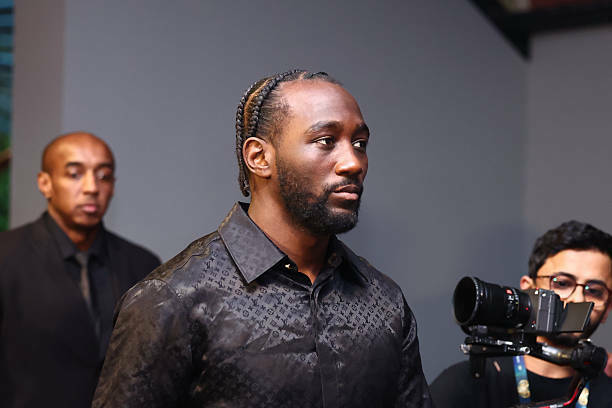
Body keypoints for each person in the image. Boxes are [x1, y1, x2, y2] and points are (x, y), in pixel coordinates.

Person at [92, 70, 433, 407]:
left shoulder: (384, 302)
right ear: (259, 157)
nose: (353, 163)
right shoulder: (174, 300)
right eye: (326, 141)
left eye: (359, 144)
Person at [0, 132, 161, 408]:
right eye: (74, 174)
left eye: (103, 176)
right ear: (45, 183)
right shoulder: (6, 256)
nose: (91, 187)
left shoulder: (142, 265)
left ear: (113, 186)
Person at [430, 220, 612, 407]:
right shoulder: (464, 385)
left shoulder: (607, 395)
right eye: (562, 283)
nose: (578, 299)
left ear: (607, 308)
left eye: (594, 291)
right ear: (528, 288)